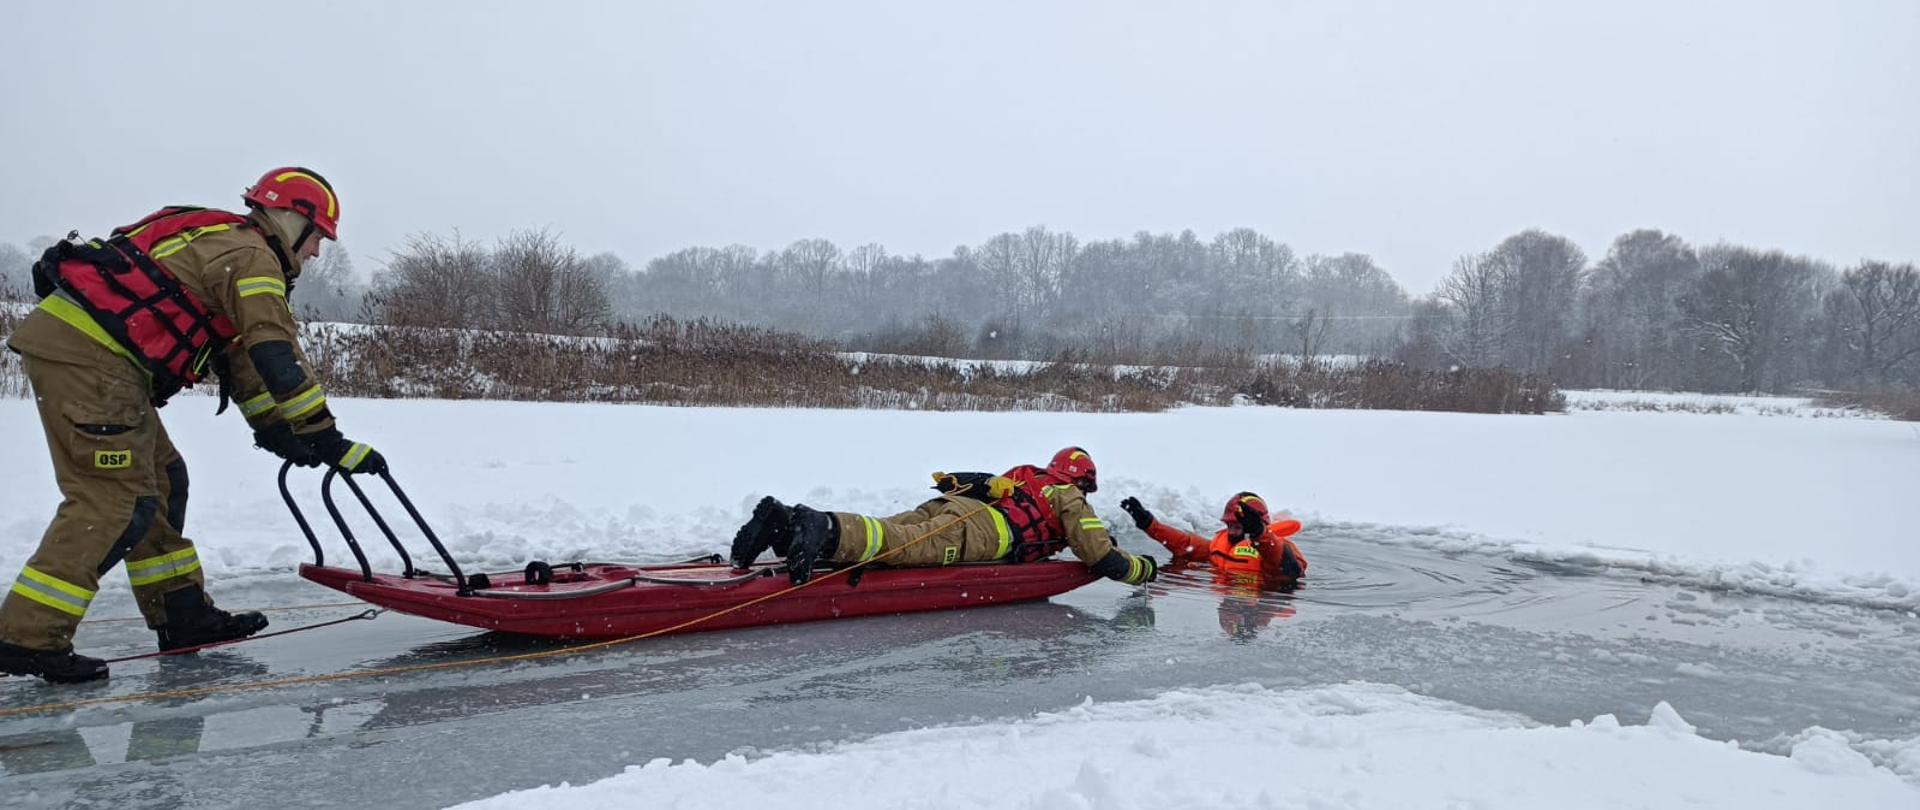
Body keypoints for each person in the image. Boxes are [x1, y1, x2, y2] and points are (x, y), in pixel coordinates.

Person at [0, 167, 385, 684]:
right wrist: (323, 435)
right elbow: (274, 350)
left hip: (98, 361)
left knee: (162, 482)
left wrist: (275, 428)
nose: (315, 252)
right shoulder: (252, 258)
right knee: (114, 501)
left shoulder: (221, 240)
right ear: (293, 219)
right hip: (92, 362)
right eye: (317, 237)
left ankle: (182, 617)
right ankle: (24, 638)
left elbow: (242, 353)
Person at [730, 447, 1158, 587]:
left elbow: (985, 487)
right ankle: (819, 525)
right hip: (981, 533)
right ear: (1083, 481)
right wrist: (1144, 568)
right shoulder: (1070, 498)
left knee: (889, 533)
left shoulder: (1027, 477)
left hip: (954, 509)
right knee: (896, 547)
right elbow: (1099, 556)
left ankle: (785, 525)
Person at [1120, 492, 1306, 589]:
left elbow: (1290, 571)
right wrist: (1150, 524)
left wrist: (1259, 533)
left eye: (1238, 526)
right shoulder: (1221, 544)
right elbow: (1186, 545)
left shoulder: (1280, 548)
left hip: (1264, 599)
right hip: (1230, 592)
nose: (1232, 532)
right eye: (1229, 526)